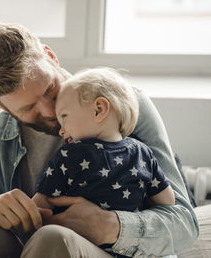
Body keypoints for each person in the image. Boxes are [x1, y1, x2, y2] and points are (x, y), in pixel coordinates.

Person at [0, 21, 198, 258]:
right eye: (29, 108)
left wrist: (110, 226)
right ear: (1, 105)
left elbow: (183, 223)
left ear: (51, 57)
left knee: (53, 239)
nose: (50, 112)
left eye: (50, 89)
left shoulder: (122, 105)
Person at [32, 68, 175, 257]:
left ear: (99, 110)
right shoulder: (143, 153)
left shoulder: (70, 155)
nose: (61, 130)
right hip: (132, 250)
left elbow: (38, 207)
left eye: (64, 117)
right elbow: (168, 201)